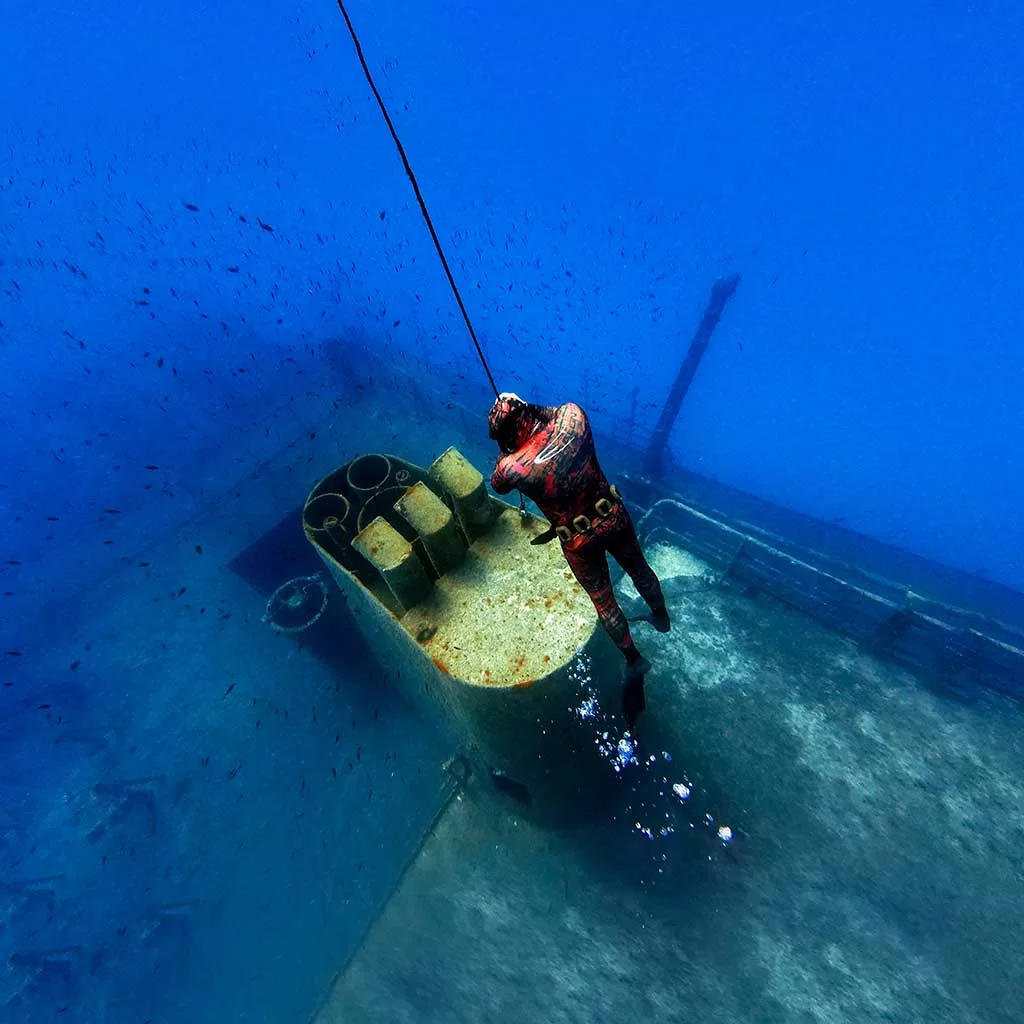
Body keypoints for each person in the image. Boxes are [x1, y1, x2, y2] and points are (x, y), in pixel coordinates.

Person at [487, 392, 670, 728]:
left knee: (605, 604)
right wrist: (525, 404)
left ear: (505, 432)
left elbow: (498, 481)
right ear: (526, 409)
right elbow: (550, 412)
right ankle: (660, 616)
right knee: (640, 569)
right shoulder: (573, 418)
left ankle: (634, 658)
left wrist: (508, 445)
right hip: (612, 515)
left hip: (578, 539)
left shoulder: (512, 467)